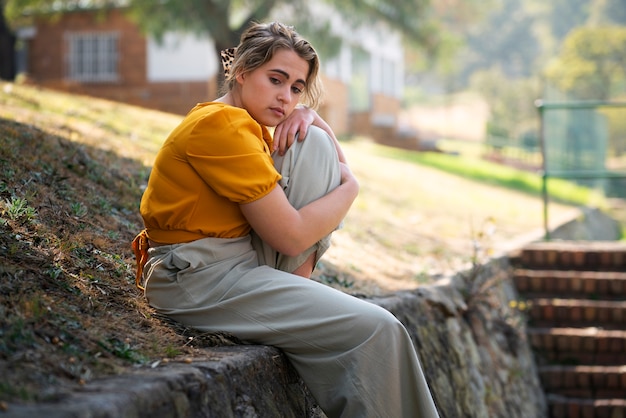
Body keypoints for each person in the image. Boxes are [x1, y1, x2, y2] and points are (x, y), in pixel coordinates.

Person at [132, 21, 439, 418]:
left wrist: (311, 116)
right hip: (197, 279)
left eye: (296, 88)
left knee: (310, 141)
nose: (285, 97)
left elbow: (324, 157)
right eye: (276, 79)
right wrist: (351, 189)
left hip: (233, 265)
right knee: (380, 329)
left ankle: (296, 290)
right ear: (241, 71)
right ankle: (297, 295)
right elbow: (291, 237)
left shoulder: (243, 124)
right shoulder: (220, 126)